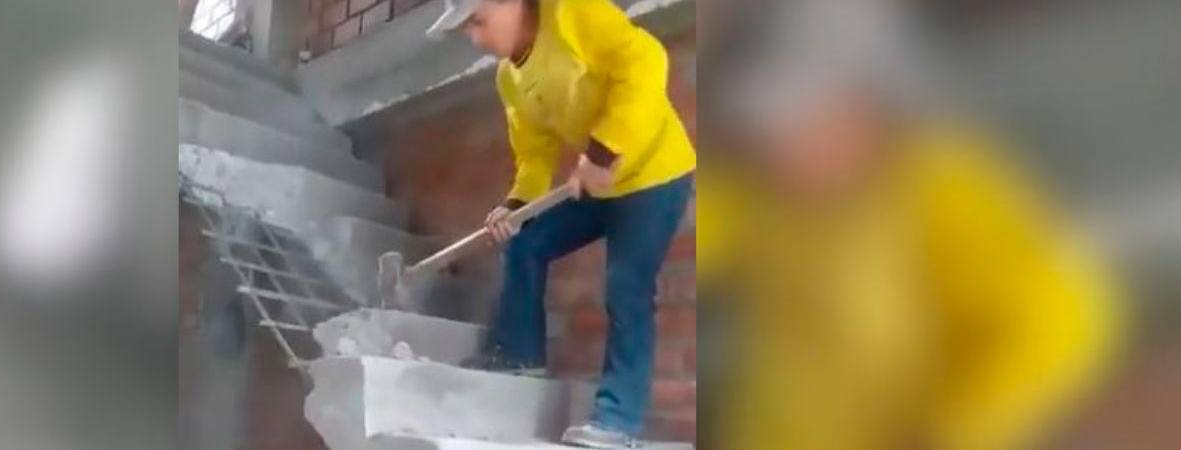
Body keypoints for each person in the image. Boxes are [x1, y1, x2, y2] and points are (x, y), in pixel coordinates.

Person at [699, 1, 1122, 449]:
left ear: (869, 104)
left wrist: (949, 433)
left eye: (798, 125)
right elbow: (690, 229)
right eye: (762, 134)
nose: (780, 153)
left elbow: (1062, 319)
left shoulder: (943, 189)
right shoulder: (764, 199)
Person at [426, 0, 696, 447]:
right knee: (525, 241)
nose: (475, 40)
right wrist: (516, 205)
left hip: (656, 176)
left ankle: (617, 422)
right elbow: (534, 153)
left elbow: (646, 61)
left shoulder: (574, 13)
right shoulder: (509, 79)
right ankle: (520, 354)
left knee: (627, 286)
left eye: (478, 21)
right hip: (598, 186)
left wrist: (604, 152)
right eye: (466, 31)